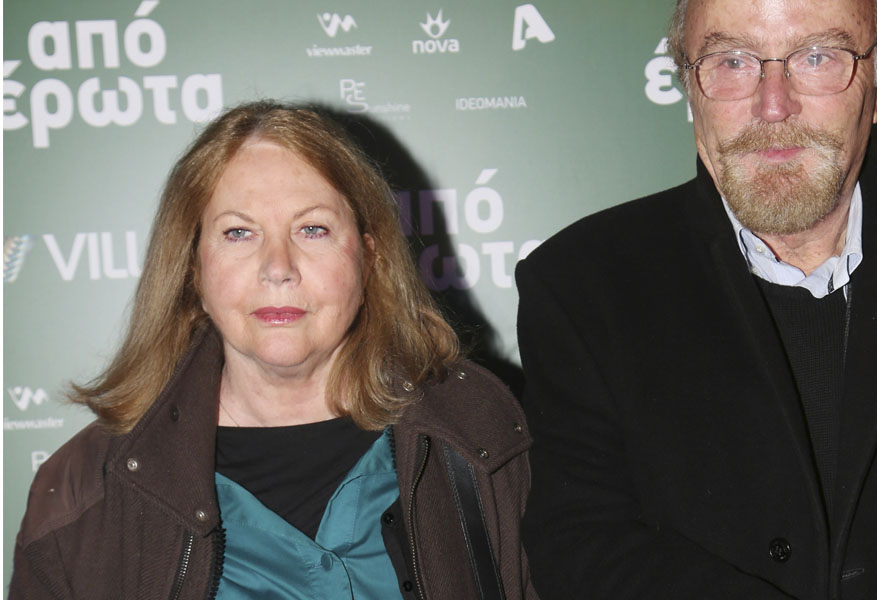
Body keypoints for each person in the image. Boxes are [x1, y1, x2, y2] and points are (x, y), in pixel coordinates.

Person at [515, 0, 877, 598]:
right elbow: (582, 544)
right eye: (732, 61)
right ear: (688, 83)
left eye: (818, 56)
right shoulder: (580, 285)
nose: (774, 104)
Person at [11, 101, 537, 600]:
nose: (278, 267)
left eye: (313, 228)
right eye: (239, 233)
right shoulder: (84, 495)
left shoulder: (482, 437)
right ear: (193, 269)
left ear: (369, 257)